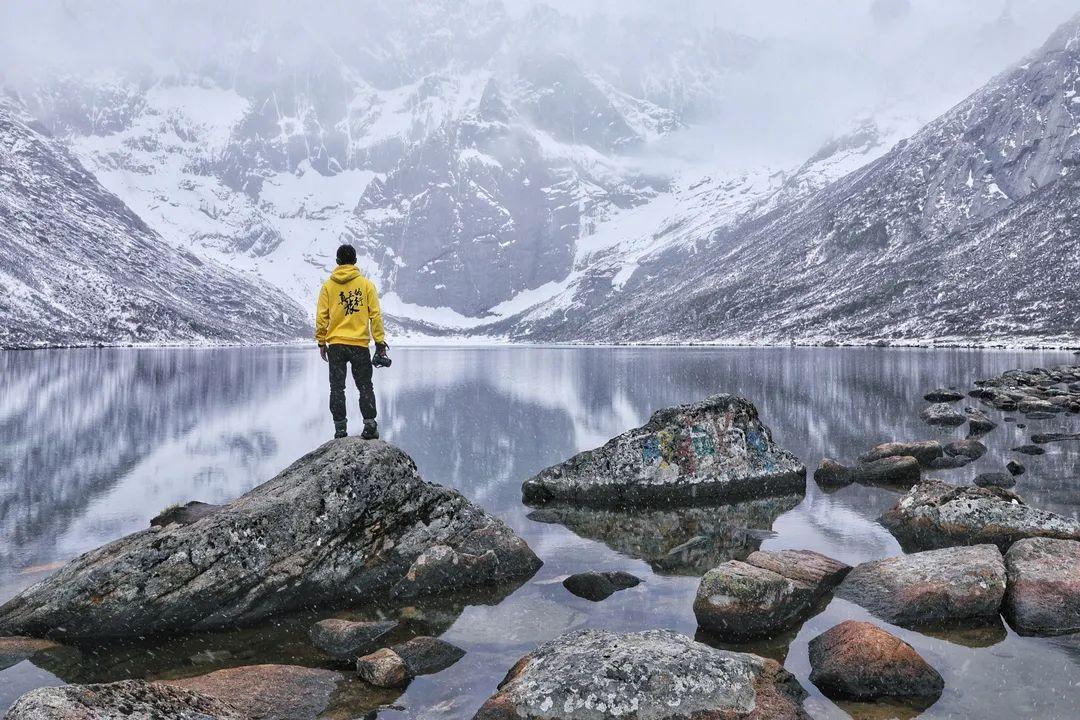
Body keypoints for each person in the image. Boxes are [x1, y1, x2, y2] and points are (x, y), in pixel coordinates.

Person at [315, 244, 389, 440]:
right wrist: (380, 343)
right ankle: (370, 426)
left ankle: (340, 429)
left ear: (337, 262)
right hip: (359, 345)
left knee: (337, 388)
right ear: (355, 261)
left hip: (336, 346)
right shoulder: (366, 285)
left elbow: (322, 317)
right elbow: (376, 316)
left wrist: (322, 342)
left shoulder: (328, 287)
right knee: (365, 386)